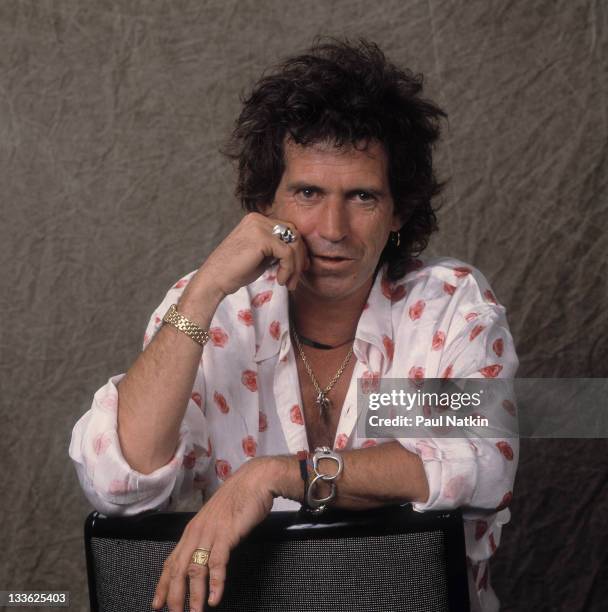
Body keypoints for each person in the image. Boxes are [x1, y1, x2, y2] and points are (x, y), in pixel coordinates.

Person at [69, 38, 519, 612]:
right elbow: (116, 483)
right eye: (308, 192)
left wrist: (278, 476)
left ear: (399, 210)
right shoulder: (216, 310)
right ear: (267, 201)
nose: (333, 228)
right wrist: (205, 289)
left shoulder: (447, 306)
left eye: (362, 196)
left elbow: (481, 461)